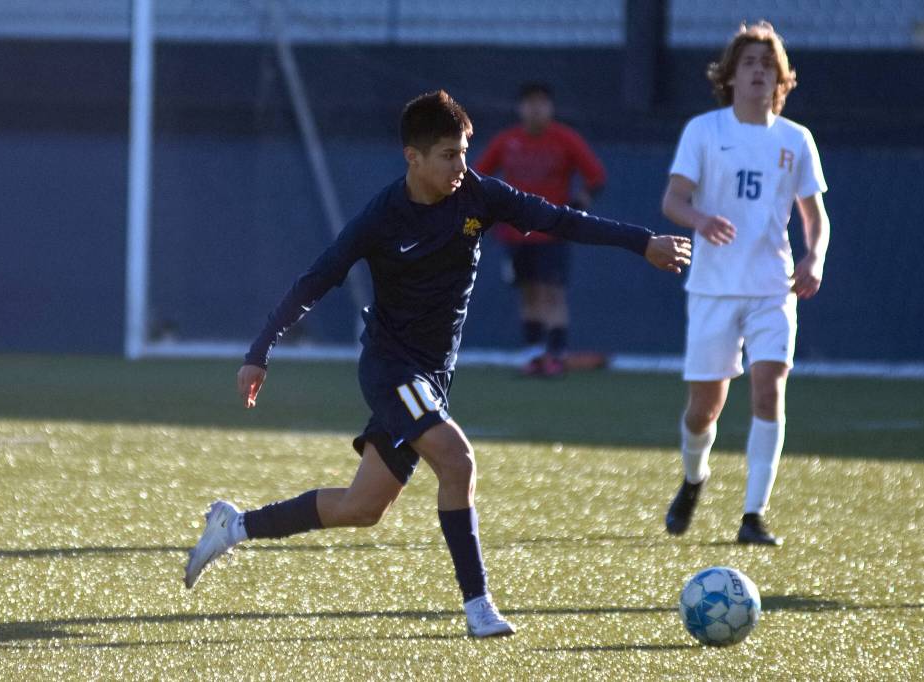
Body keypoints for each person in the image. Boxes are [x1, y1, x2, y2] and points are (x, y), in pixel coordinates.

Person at [184, 91, 692, 637]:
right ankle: (478, 607)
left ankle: (233, 526)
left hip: (432, 378)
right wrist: (259, 351)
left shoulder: (479, 196)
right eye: (449, 154)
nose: (461, 166)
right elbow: (316, 279)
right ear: (414, 158)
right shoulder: (381, 217)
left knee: (363, 506)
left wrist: (643, 243)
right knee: (458, 461)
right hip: (390, 368)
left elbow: (560, 219)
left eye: (465, 151)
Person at [660, 22, 831, 545]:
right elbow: (673, 201)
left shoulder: (796, 139)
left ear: (781, 78)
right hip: (713, 288)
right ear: (730, 75)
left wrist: (814, 258)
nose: (759, 71)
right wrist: (700, 220)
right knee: (703, 408)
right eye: (750, 62)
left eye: (768, 64)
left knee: (768, 389)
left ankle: (753, 516)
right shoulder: (704, 131)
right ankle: (694, 478)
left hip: (772, 289)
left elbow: (815, 215)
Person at [474, 83, 607, 377]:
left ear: (551, 107)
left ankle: (557, 356)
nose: (536, 110)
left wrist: (579, 202)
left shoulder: (564, 139)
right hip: (515, 233)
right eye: (530, 103)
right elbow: (478, 175)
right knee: (529, 291)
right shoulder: (507, 141)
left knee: (553, 292)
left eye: (542, 103)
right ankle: (534, 355)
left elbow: (595, 175)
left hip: (553, 230)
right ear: (520, 108)